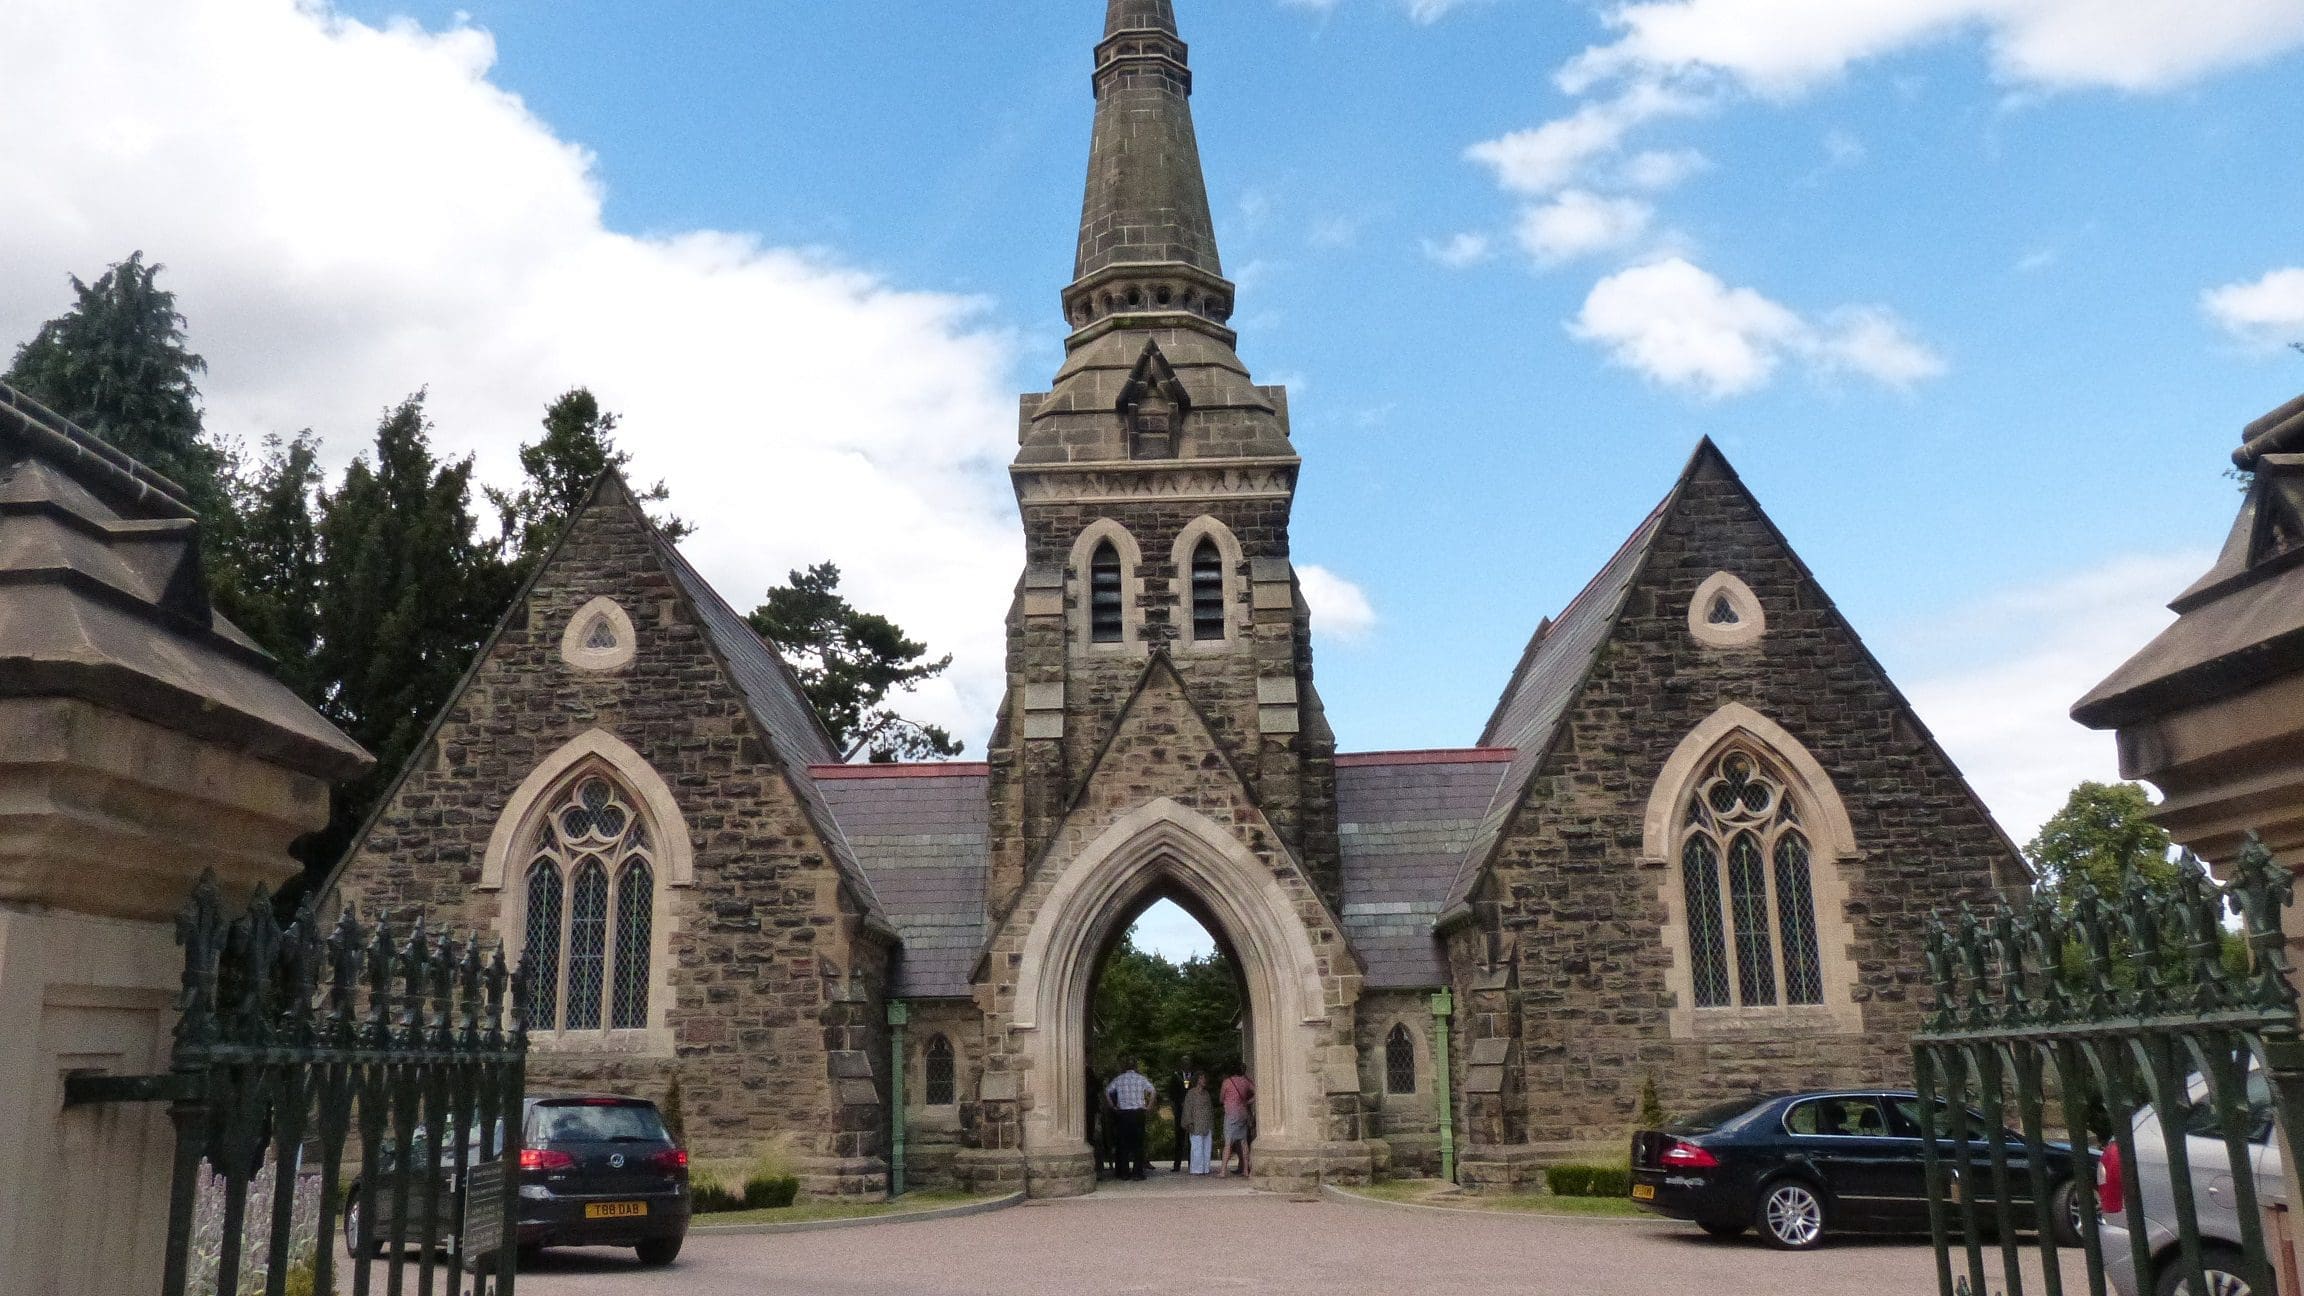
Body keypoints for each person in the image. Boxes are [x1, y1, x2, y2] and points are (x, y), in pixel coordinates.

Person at [1105, 1059, 1158, 1180]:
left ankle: (1124, 1173)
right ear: (1135, 1067)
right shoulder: (1140, 1078)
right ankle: (1137, 1173)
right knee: (1138, 1144)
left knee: (1123, 1144)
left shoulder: (1119, 1079)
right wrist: (1149, 1106)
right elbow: (1153, 1090)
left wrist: (1112, 1106)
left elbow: (1107, 1090)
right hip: (1138, 1112)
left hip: (1123, 1113)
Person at [1219, 1066, 1255, 1178]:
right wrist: (1248, 1102)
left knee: (1228, 1143)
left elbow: (1221, 1098)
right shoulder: (1245, 1082)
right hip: (1243, 1114)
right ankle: (1245, 1170)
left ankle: (1223, 1171)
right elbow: (1258, 1093)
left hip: (1231, 1114)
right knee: (1244, 1143)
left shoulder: (1227, 1082)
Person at [1166, 1055, 1197, 1172]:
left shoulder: (1194, 1077)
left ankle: (1192, 1164)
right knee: (1179, 1139)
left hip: (1192, 1111)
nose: (1186, 1065)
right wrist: (1176, 1106)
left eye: (1188, 1062)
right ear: (1181, 1065)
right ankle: (1176, 1165)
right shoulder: (1176, 1076)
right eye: (1184, 1063)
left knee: (1192, 1139)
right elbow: (1171, 1094)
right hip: (1180, 1112)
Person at [1182, 1072, 1216, 1175]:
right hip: (1196, 1124)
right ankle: (1197, 1170)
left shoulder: (1207, 1093)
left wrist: (1212, 1125)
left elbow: (1210, 1110)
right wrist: (1189, 1122)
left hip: (1207, 1123)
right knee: (1197, 1149)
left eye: (1204, 1078)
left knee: (1207, 1148)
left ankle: (1205, 1169)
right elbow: (1187, 1108)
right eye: (1201, 1078)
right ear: (1197, 1080)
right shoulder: (1191, 1093)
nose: (1204, 1080)